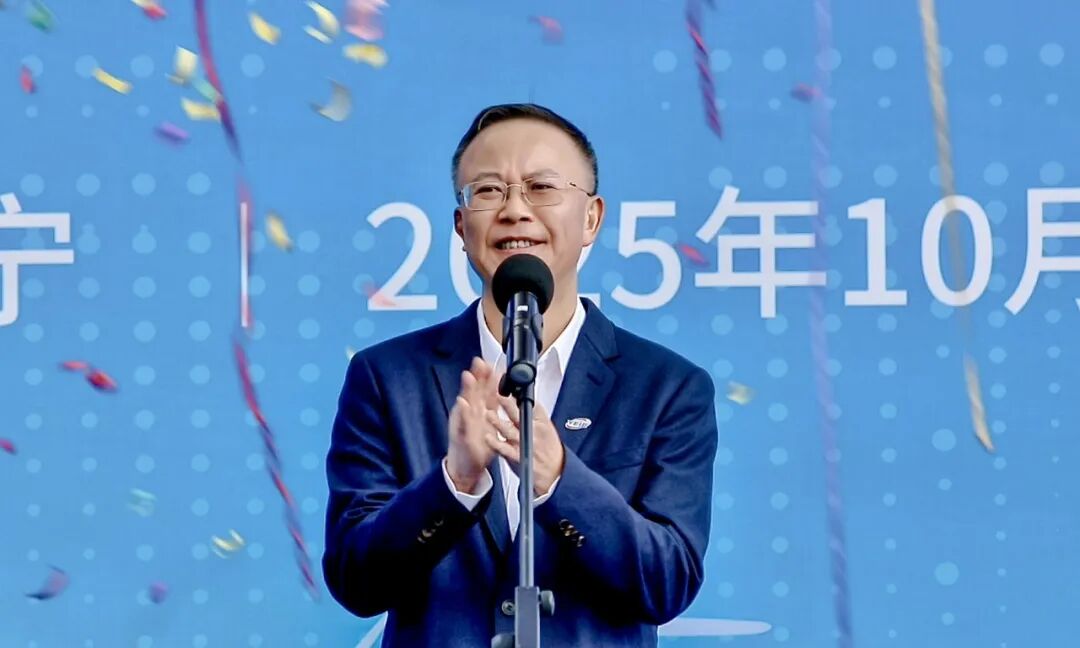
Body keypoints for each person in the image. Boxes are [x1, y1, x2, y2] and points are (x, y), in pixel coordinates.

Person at [323, 103, 718, 647]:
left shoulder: (667, 387)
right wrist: (453, 483)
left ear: (591, 218)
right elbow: (355, 580)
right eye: (488, 191)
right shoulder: (387, 378)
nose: (514, 210)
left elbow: (667, 582)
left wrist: (560, 480)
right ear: (461, 227)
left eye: (541, 187)